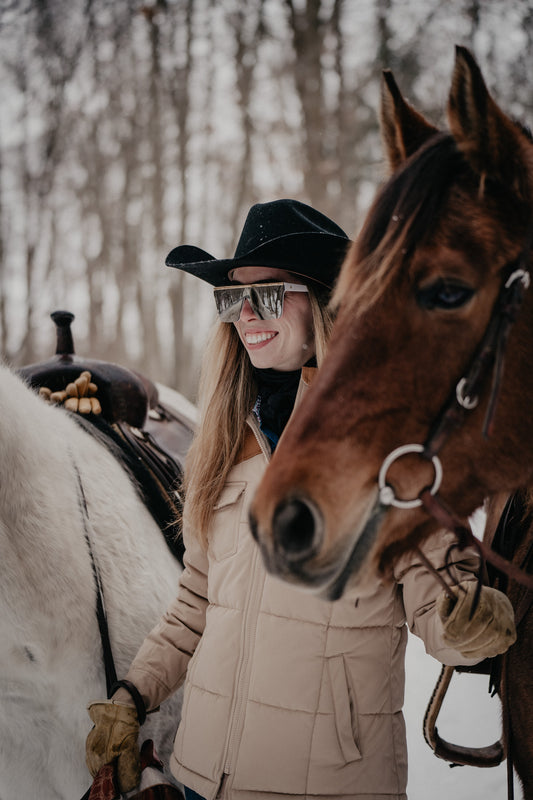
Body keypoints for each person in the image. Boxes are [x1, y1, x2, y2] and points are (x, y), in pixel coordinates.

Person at [85, 199, 516, 800]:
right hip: (201, 775)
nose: (244, 317)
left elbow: (436, 606)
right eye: (232, 299)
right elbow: (194, 609)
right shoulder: (226, 441)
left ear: (322, 301)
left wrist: (465, 622)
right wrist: (132, 697)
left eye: (265, 295)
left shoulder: (390, 448)